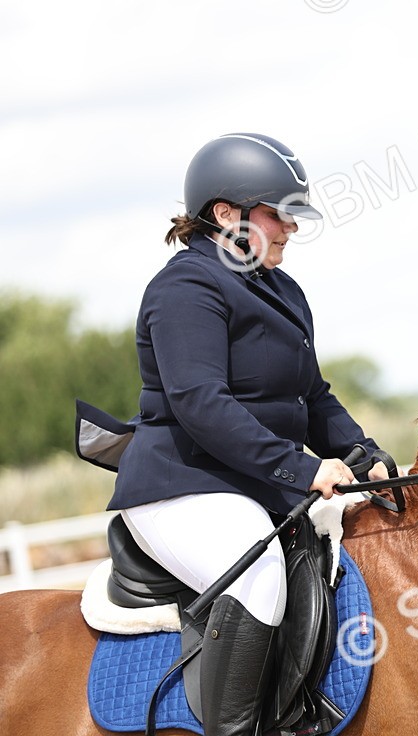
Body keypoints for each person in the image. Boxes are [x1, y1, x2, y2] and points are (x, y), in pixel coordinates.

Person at [97, 133, 393, 736]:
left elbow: (311, 396)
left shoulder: (282, 290)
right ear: (226, 214)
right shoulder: (184, 289)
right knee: (257, 573)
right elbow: (202, 405)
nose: (290, 228)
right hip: (182, 486)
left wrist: (362, 454)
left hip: (251, 481)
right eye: (277, 213)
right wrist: (303, 468)